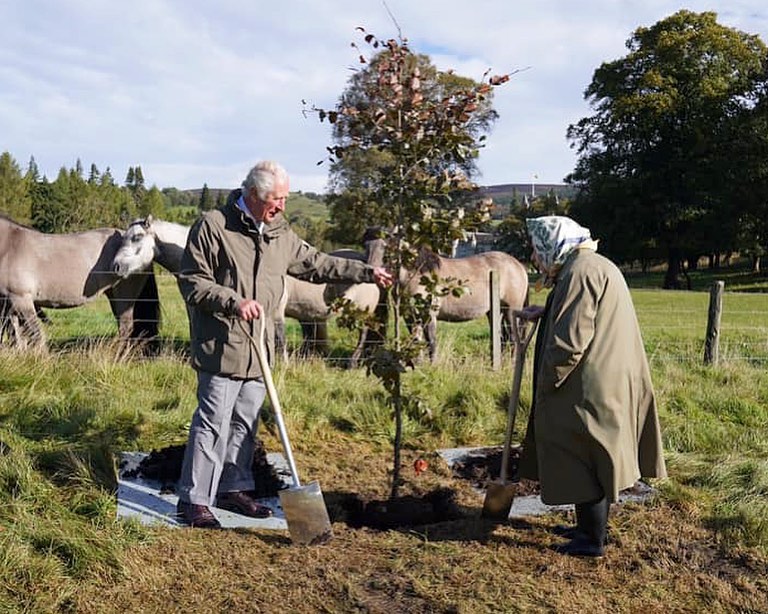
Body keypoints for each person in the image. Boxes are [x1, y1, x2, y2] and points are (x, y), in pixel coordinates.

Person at [175, 160, 393, 528]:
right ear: (253, 195)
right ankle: (194, 500)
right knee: (212, 422)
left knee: (245, 423)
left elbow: (316, 264)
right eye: (277, 199)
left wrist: (365, 272)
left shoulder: (279, 232)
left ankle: (233, 488)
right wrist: (233, 301)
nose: (282, 206)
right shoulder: (214, 226)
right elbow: (192, 281)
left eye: (285, 199)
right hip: (223, 344)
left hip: (260, 349)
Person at [517, 215, 666, 557]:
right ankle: (588, 527)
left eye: (539, 250)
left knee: (582, 451)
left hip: (589, 383)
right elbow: (582, 313)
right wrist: (547, 309)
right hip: (607, 376)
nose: (536, 258)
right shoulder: (590, 265)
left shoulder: (579, 273)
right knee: (593, 453)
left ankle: (590, 541)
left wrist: (546, 382)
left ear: (554, 245)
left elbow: (571, 342)